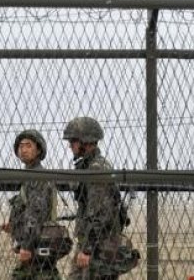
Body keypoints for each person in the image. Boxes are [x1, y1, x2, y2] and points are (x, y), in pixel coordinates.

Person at [63, 116, 134, 279]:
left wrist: (87, 250)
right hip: (92, 243)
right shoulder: (88, 167)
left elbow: (100, 214)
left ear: (85, 142)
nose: (70, 146)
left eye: (73, 141)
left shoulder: (96, 168)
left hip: (98, 246)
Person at [4, 129, 62, 279]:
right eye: (21, 146)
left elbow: (36, 214)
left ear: (38, 150)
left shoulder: (38, 177)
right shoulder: (29, 176)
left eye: (28, 145)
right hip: (36, 246)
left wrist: (27, 247)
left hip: (37, 246)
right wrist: (14, 225)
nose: (23, 150)